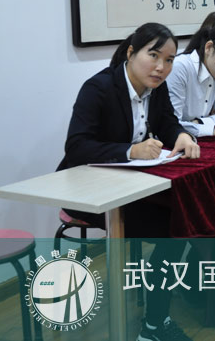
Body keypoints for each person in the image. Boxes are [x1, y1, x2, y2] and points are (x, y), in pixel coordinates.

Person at [58, 23, 200, 341]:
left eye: (169, 59)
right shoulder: (99, 88)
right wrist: (129, 150)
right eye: (154, 55)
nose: (161, 67)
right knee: (173, 229)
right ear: (132, 53)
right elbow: (76, 147)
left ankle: (157, 319)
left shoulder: (156, 87)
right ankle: (154, 326)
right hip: (90, 190)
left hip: (131, 185)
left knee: (184, 217)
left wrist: (181, 135)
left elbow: (167, 122)